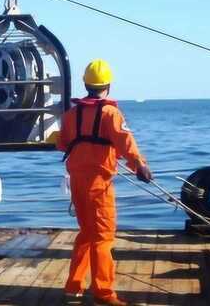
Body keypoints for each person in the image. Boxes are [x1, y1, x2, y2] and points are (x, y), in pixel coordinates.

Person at [57, 59, 153, 306]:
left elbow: (62, 144)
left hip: (77, 182)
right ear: (107, 85)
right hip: (99, 183)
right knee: (102, 237)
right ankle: (103, 293)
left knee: (86, 234)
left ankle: (74, 287)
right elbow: (126, 142)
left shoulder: (70, 115)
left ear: (85, 84)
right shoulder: (111, 113)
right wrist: (140, 166)